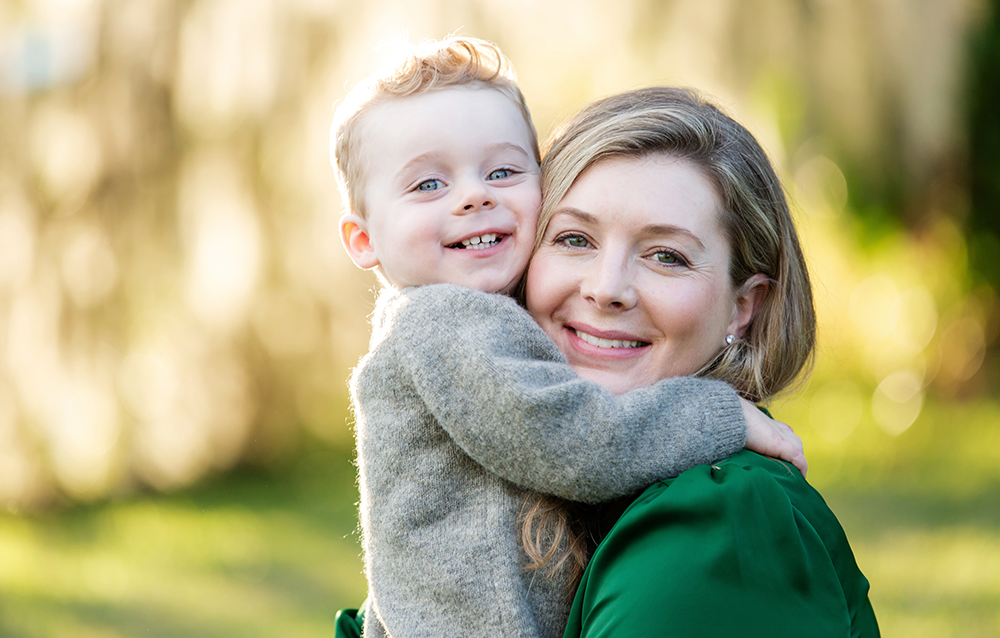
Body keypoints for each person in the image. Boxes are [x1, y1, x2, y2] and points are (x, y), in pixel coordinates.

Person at [330, 37, 806, 638]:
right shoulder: (443, 325)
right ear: (363, 239)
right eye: (576, 240)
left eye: (502, 171)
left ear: (746, 306)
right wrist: (720, 417)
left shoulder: (728, 521)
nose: (475, 195)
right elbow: (578, 442)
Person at [518, 86, 879, 637]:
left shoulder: (718, 527)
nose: (607, 288)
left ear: (743, 308)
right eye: (573, 238)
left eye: (667, 256)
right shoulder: (525, 495)